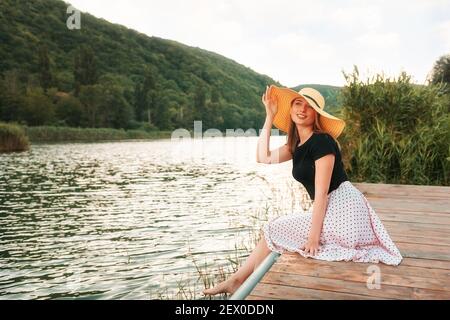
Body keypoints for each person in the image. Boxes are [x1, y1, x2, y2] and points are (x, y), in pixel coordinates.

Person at [203, 85, 402, 296]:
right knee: (274, 229)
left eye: (309, 107)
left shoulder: (322, 142)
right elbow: (263, 157)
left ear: (316, 114)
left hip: (344, 209)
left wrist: (313, 237)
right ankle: (238, 281)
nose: (303, 109)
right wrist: (269, 116)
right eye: (298, 103)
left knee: (274, 228)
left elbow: (322, 193)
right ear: (290, 109)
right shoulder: (295, 146)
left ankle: (244, 284)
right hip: (333, 209)